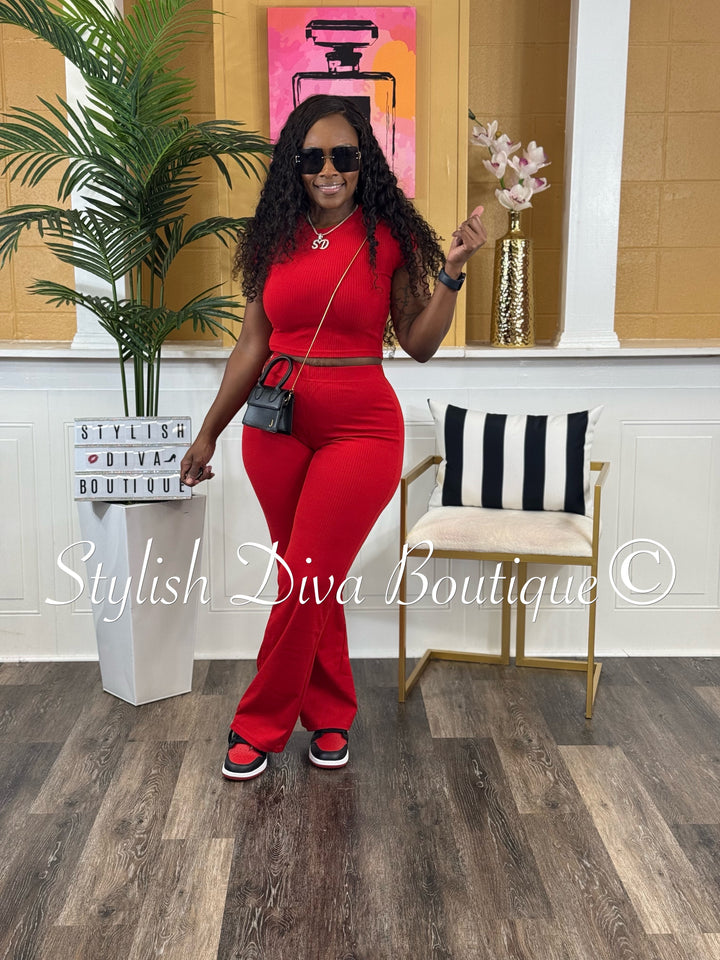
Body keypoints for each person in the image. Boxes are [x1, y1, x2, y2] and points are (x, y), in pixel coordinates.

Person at [180, 94, 487, 780]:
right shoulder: (273, 240)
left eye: (343, 155)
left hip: (361, 429)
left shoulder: (390, 239)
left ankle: (257, 724)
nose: (328, 169)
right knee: (307, 577)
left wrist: (453, 272)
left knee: (309, 575)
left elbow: (419, 344)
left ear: (363, 162)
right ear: (294, 165)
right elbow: (251, 345)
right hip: (275, 427)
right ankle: (330, 714)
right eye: (313, 157)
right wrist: (208, 434)